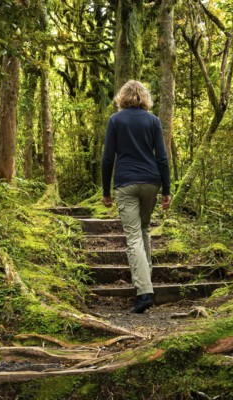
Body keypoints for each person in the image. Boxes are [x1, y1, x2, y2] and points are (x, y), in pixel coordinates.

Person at [101, 80, 171, 314]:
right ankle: (146, 281)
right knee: (143, 228)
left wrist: (106, 191)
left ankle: (144, 293)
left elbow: (108, 158)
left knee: (133, 237)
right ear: (144, 97)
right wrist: (167, 191)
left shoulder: (116, 120)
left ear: (122, 97)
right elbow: (162, 157)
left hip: (126, 183)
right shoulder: (153, 121)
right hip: (152, 182)